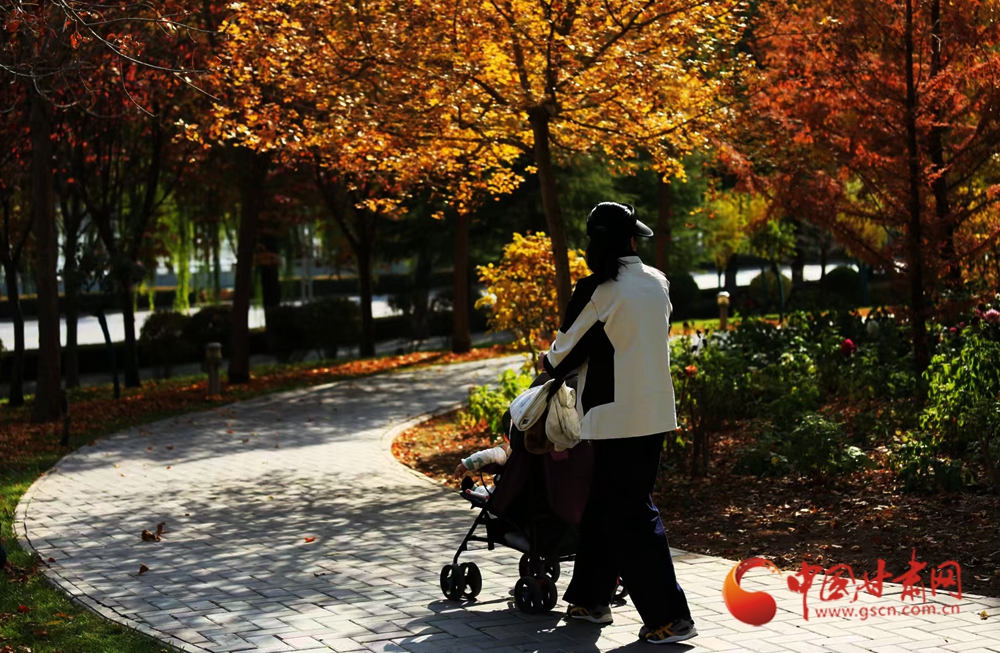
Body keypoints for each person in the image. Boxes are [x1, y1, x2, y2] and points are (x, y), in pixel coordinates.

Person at [541, 202, 695, 645]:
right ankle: (590, 599)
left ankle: (671, 617)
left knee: (631, 514)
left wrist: (549, 364)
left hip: (613, 418)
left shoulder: (597, 291)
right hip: (655, 411)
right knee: (605, 505)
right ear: (630, 240)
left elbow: (561, 358)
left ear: (595, 243)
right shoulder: (658, 282)